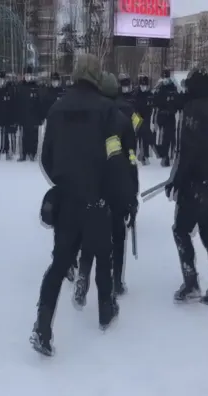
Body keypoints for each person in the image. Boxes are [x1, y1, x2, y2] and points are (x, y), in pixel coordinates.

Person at [31, 55, 137, 356]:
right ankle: (105, 311)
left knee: (59, 263)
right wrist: (122, 195)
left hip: (67, 199)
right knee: (103, 256)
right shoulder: (108, 112)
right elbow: (116, 158)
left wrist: (64, 181)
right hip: (96, 198)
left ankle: (42, 326)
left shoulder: (56, 108)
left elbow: (46, 158)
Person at [164, 67, 208, 306]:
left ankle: (191, 283)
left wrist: (176, 180)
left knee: (181, 230)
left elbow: (187, 151)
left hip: (195, 183)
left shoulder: (192, 110)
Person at [75, 72, 138, 307]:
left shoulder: (91, 114)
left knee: (90, 234)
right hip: (118, 185)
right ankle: (117, 281)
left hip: (93, 185)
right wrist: (132, 193)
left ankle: (83, 272)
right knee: (118, 235)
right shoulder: (125, 117)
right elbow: (131, 158)